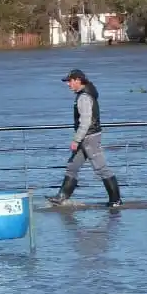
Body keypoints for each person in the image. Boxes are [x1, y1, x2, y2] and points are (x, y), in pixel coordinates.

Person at [49, 69, 121, 208]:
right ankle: (61, 198)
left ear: (78, 80)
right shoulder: (86, 94)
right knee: (72, 166)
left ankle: (115, 200)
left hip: (89, 138)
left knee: (101, 168)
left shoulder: (84, 97)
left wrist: (76, 140)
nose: (68, 84)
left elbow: (86, 121)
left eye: (69, 81)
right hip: (87, 136)